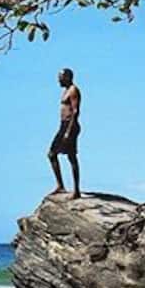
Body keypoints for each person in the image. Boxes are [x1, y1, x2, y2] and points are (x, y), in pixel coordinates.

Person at [48, 68, 81, 199]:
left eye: (60, 77)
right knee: (52, 154)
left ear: (67, 77)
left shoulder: (73, 90)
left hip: (70, 126)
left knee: (71, 157)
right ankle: (60, 185)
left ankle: (76, 190)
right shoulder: (65, 91)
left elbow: (75, 111)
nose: (58, 80)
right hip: (63, 125)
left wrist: (68, 131)